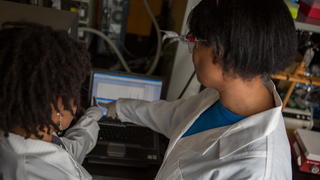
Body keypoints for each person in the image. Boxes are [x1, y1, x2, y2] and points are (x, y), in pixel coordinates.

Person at [102, 0, 298, 179]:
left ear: (220, 52)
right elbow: (173, 117)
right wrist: (116, 108)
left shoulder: (259, 171)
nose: (193, 51)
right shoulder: (223, 95)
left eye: (195, 42)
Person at [0, 22, 102, 180]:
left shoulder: (23, 133)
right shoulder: (37, 173)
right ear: (59, 103)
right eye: (76, 90)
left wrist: (91, 118)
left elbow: (68, 149)